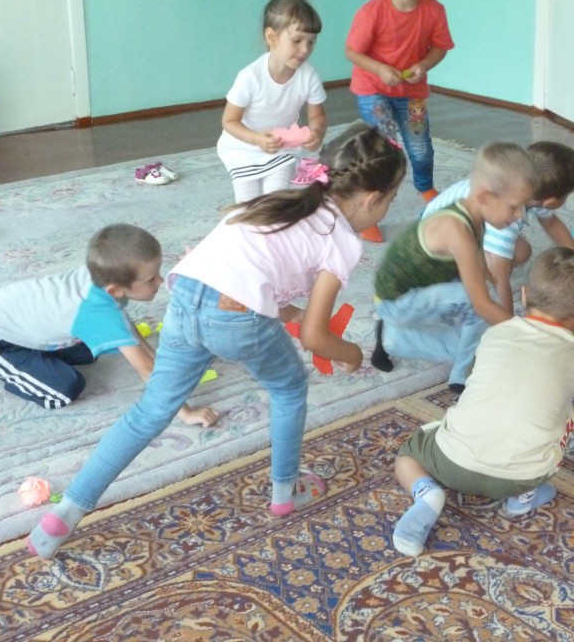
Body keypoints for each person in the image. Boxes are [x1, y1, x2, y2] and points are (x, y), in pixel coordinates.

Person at [27, 123, 406, 559]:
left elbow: (247, 268)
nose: (387, 207)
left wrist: (288, 312)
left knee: (150, 411)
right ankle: (285, 492)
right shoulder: (342, 241)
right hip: (236, 318)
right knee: (289, 387)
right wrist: (352, 353)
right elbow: (315, 337)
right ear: (372, 198)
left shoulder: (286, 200)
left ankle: (66, 512)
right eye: (392, 198)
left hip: (186, 296)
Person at [391, 247, 574, 557]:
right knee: (565, 409)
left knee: (408, 455)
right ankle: (523, 497)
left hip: (451, 462)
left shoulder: (495, 334)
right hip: (521, 477)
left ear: (524, 295)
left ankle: (426, 493)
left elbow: (473, 379)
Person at [0, 224, 217, 427]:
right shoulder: (98, 313)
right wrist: (186, 413)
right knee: (65, 389)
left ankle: (40, 356)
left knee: (91, 352)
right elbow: (147, 371)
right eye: (151, 279)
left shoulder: (104, 276)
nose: (160, 281)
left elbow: (124, 326)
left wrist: (154, 355)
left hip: (18, 315)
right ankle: (12, 372)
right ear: (116, 290)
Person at [371, 142, 537, 393]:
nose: (521, 215)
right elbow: (480, 304)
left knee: (483, 333)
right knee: (476, 306)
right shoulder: (456, 229)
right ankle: (461, 374)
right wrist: (528, 335)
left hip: (421, 292)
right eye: (514, 206)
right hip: (395, 302)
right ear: (484, 197)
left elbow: (482, 273)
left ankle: (396, 338)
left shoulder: (475, 218)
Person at [345, 0, 454, 241]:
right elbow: (352, 51)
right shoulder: (372, 12)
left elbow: (440, 48)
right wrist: (380, 69)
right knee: (383, 149)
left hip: (413, 92)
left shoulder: (434, 10)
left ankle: (426, 188)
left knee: (421, 148)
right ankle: (368, 208)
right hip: (373, 89)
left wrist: (424, 65)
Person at [424, 141, 574, 313]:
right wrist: (508, 321)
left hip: (450, 230)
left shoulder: (523, 188)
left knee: (521, 251)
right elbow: (498, 280)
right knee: (495, 270)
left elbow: (552, 224)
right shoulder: (504, 214)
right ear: (551, 201)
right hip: (435, 255)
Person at [218, 0, 328, 203]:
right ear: (271, 37)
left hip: (282, 150)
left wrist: (317, 133)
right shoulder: (250, 77)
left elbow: (318, 116)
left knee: (276, 202)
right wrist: (257, 139)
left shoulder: (309, 75)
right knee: (248, 207)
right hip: (243, 149)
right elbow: (229, 121)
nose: (305, 49)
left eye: (311, 42)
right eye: (297, 40)